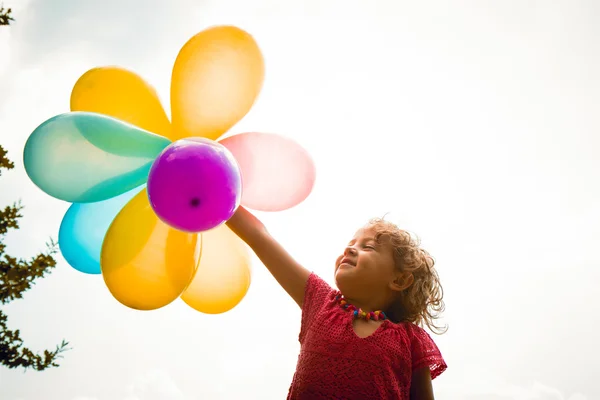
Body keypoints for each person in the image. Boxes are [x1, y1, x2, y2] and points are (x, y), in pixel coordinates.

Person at [226, 206, 447, 400]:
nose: (349, 250)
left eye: (368, 247)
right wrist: (220, 196)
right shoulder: (321, 302)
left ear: (399, 280)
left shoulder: (411, 341)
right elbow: (260, 238)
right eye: (351, 244)